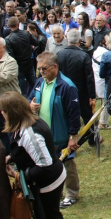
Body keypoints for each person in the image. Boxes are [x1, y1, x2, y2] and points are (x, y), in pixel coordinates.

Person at [2, 92, 67, 219]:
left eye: (3, 111)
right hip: (43, 181)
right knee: (43, 217)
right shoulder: (23, 123)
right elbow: (23, 150)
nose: (1, 114)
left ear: (11, 112)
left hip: (49, 183)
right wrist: (10, 158)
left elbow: (45, 166)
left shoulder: (29, 133)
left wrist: (20, 175)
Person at [28, 51, 81, 209]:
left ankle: (71, 193)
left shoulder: (66, 86)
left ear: (55, 67)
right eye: (39, 69)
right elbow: (28, 98)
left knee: (67, 164)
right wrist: (30, 106)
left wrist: (73, 136)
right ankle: (55, 191)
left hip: (60, 134)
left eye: (44, 68)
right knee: (48, 164)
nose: (41, 72)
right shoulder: (40, 83)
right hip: (42, 134)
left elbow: (73, 114)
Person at [57, 29, 96, 146]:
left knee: (66, 116)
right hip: (81, 91)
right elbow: (89, 77)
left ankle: (66, 140)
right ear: (80, 41)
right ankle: (92, 139)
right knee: (87, 116)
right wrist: (91, 95)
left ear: (67, 39)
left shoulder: (59, 55)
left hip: (64, 91)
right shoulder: (83, 55)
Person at [6, 17, 38, 96]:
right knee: (34, 84)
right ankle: (39, 99)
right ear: (18, 24)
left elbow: (10, 55)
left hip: (18, 65)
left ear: (9, 26)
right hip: (29, 62)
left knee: (22, 89)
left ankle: (25, 104)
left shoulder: (8, 39)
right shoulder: (26, 33)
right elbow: (36, 42)